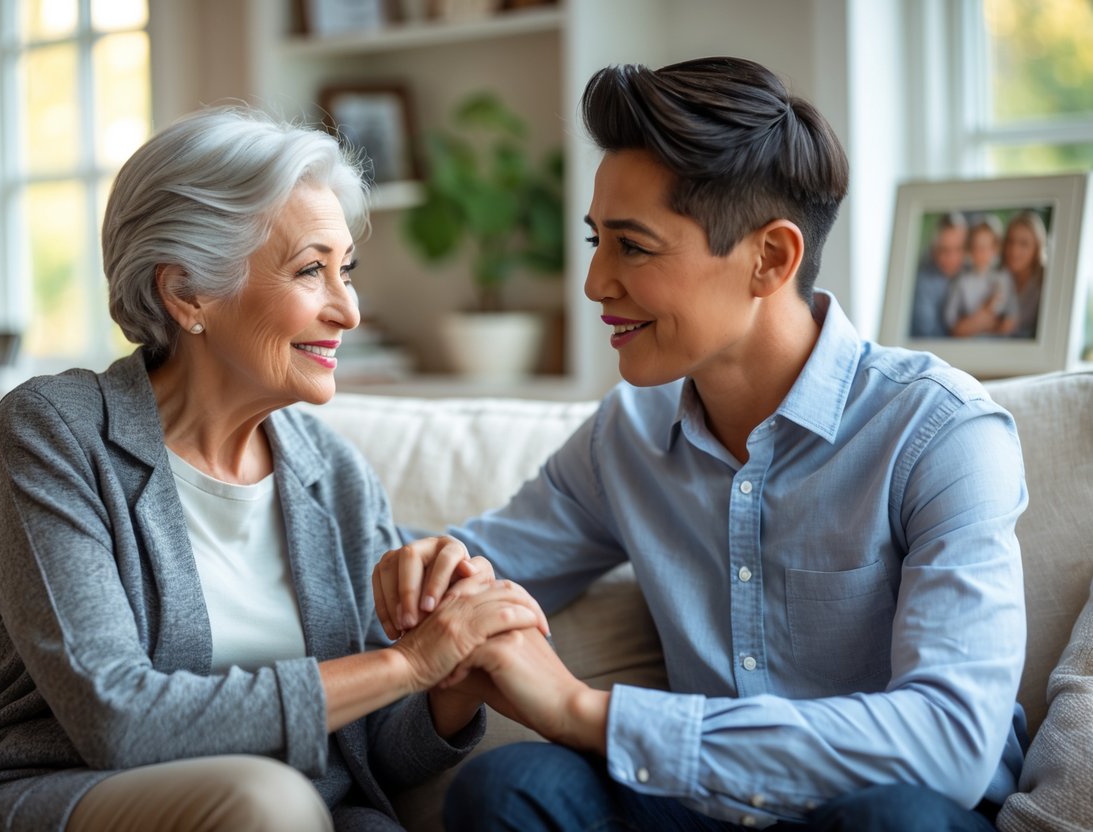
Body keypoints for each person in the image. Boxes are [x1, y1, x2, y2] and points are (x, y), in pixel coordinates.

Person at [375, 57, 1029, 831]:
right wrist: (424, 571)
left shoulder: (941, 433)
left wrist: (587, 712)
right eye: (597, 240)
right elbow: (479, 568)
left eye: (633, 247)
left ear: (770, 259)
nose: (593, 282)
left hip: (876, 814)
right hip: (694, 810)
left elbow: (948, 744)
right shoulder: (629, 433)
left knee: (895, 823)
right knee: (512, 788)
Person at [0, 107, 549, 832]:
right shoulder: (58, 430)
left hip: (288, 811)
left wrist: (451, 679)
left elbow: (364, 759)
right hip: (57, 792)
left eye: (345, 271)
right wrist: (409, 665)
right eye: (310, 271)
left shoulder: (331, 474)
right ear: (187, 294)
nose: (348, 311)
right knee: (269, 803)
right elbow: (117, 720)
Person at [946, 216, 1018, 337]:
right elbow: (950, 320)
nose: (979, 253)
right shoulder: (962, 281)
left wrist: (996, 321)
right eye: (975, 247)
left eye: (984, 248)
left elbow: (1010, 316)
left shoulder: (1003, 278)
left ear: (995, 249)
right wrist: (977, 320)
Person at [910, 211, 967, 338]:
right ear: (934, 250)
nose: (952, 258)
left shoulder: (970, 270)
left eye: (958, 249)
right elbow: (927, 336)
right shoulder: (924, 283)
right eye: (944, 250)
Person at [1001, 210, 1048, 339]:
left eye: (1024, 244)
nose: (1014, 250)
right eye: (1010, 241)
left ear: (1037, 248)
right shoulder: (997, 276)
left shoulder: (1045, 282)